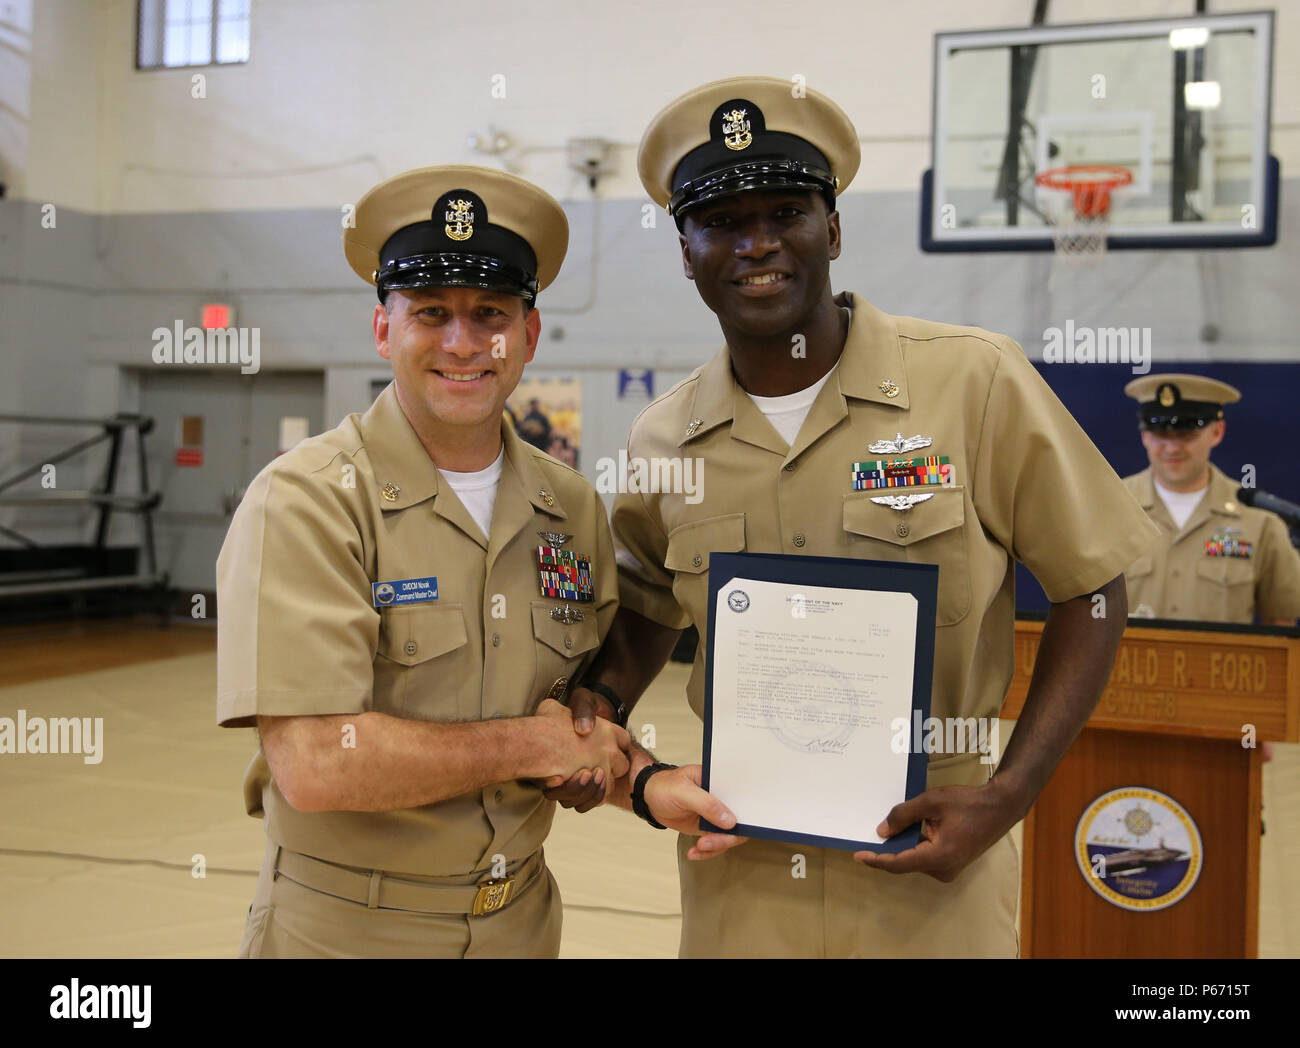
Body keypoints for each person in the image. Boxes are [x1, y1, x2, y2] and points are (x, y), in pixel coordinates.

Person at [549, 76, 1161, 957]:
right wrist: (602, 703)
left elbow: (1094, 586)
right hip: (739, 856)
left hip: (932, 851)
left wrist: (1009, 794)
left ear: (831, 229)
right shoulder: (664, 436)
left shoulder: (974, 382)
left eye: (786, 213)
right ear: (686, 252)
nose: (758, 244)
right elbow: (649, 603)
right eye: (722, 221)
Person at [216, 165, 631, 958]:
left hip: (522, 921)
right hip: (348, 932)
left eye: (491, 313)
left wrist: (633, 776)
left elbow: (579, 719)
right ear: (384, 330)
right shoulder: (308, 499)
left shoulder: (572, 509)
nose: (462, 343)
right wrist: (535, 746)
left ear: (529, 336)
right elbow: (315, 764)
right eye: (431, 312)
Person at [1121, 373, 1300, 625]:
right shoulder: (1112, 508)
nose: (1173, 448)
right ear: (1144, 436)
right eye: (1160, 433)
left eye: (1187, 434)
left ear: (1217, 431)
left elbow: (1281, 625)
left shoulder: (1258, 520)